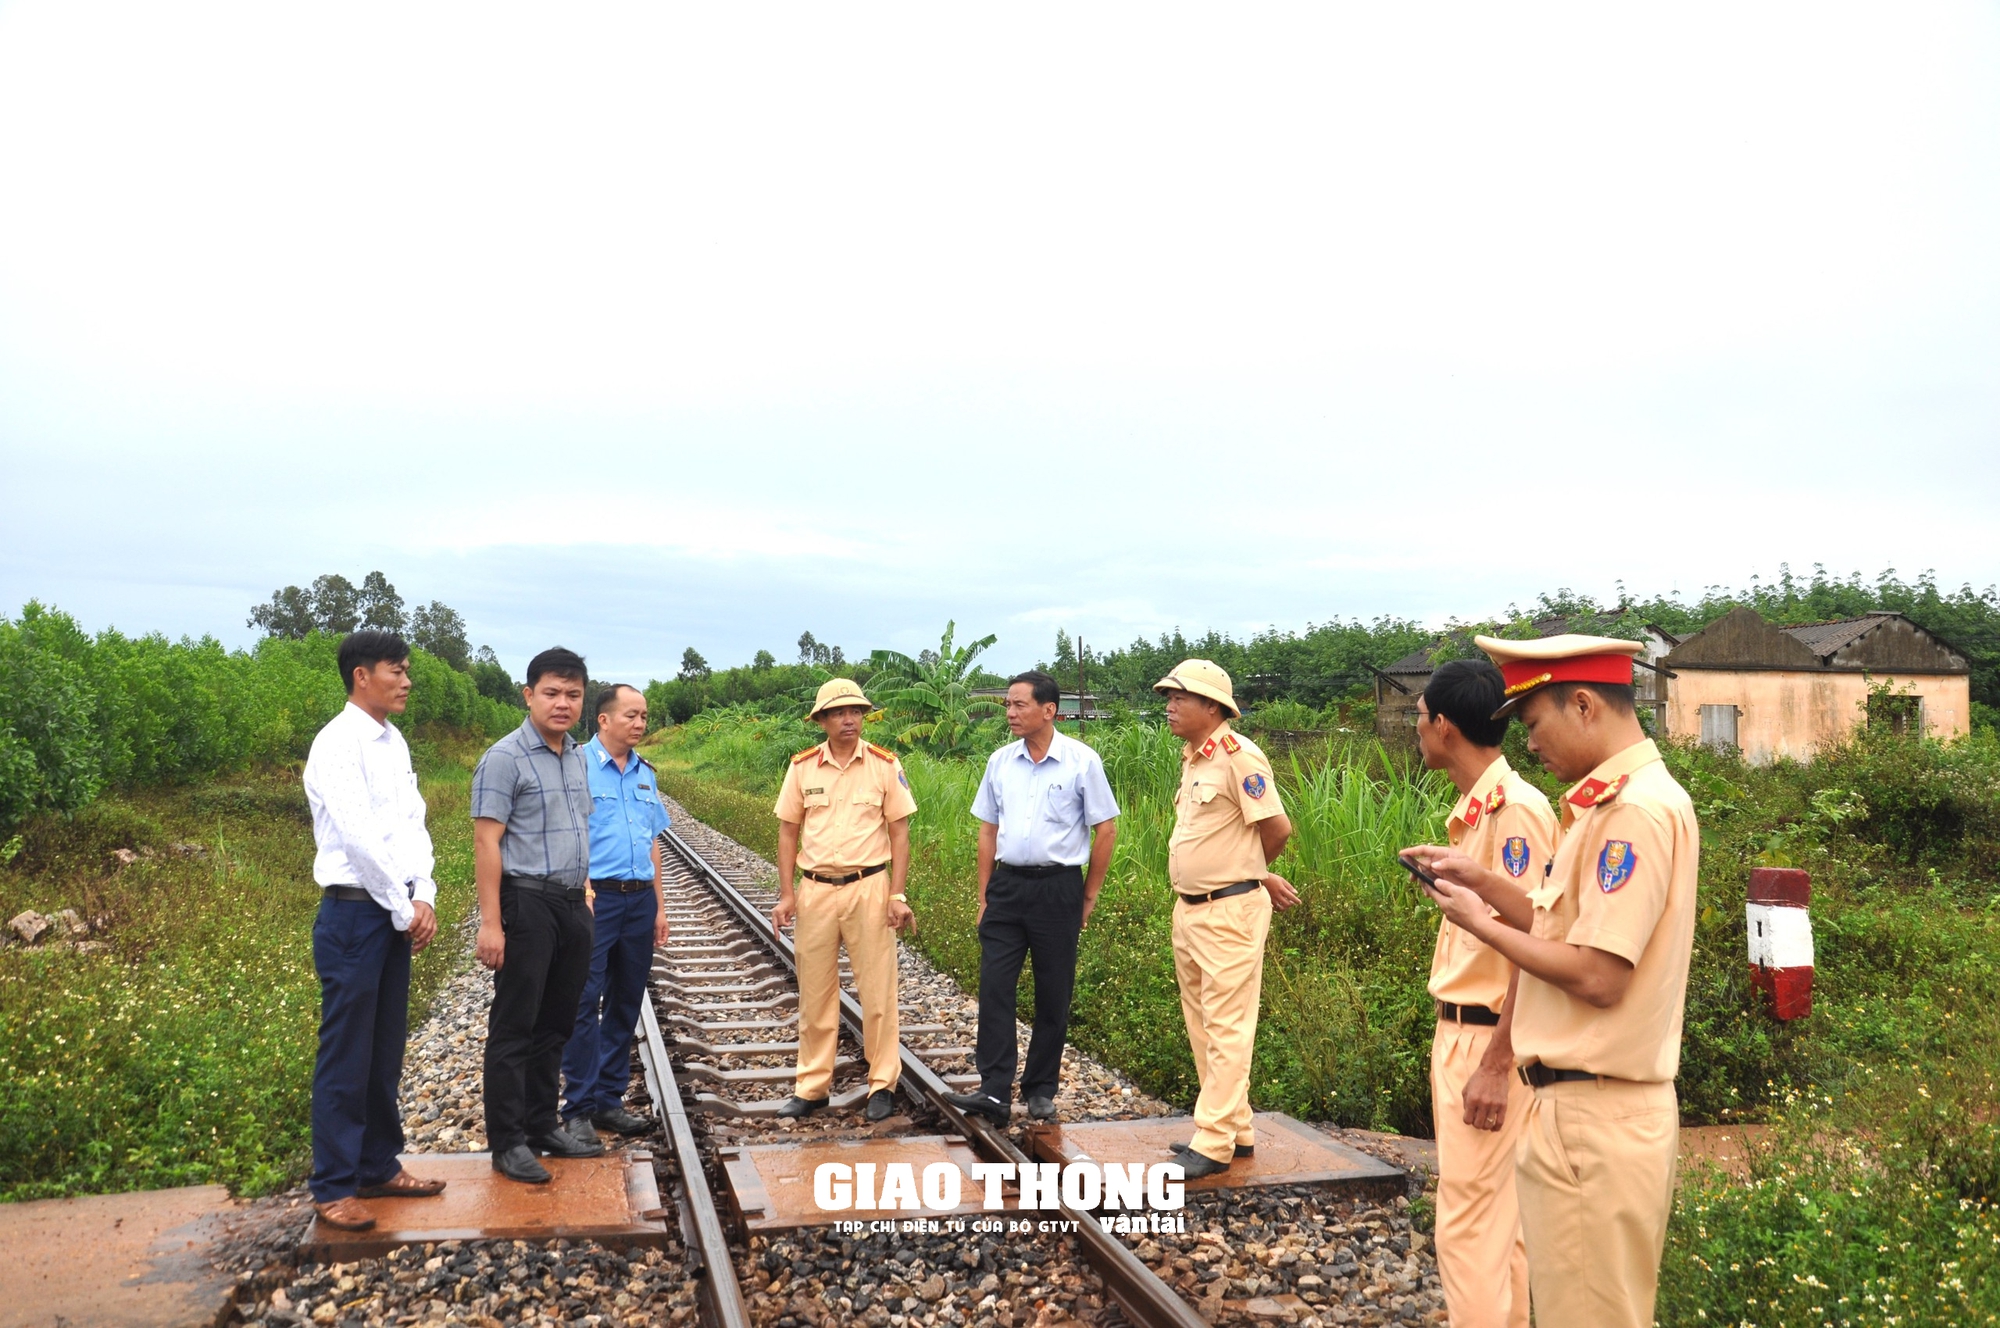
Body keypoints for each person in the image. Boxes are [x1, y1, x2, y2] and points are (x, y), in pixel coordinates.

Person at [1404, 634, 1698, 1328]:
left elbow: (1598, 975)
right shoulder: (1607, 806)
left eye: (1535, 724)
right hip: (1574, 1109)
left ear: (1586, 705)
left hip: (1596, 1112)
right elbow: (1558, 924)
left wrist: (1481, 923)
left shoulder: (1632, 813)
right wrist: (1482, 883)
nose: (1528, 744)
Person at [1408, 659, 1558, 1328]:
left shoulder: (1515, 810)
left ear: (1444, 726)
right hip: (1474, 1032)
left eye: (1419, 715)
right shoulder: (1477, 813)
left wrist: (1496, 1062)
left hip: (1488, 1037)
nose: (1416, 727)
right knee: (1505, 1230)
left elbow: (1539, 938)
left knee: (1468, 1228)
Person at [301, 630, 447, 1232]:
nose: (407, 680)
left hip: (391, 910)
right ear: (363, 675)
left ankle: (378, 1166)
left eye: (407, 670)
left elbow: (412, 823)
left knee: (384, 1049)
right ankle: (333, 1185)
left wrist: (426, 892)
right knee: (346, 1053)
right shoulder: (337, 743)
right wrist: (400, 904)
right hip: (354, 915)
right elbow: (358, 836)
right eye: (398, 670)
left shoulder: (394, 741)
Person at [944, 671, 1120, 1126]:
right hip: (1006, 888)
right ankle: (994, 1089)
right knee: (995, 987)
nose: (1010, 713)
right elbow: (987, 828)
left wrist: (1088, 895)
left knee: (1053, 993)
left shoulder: (1082, 761)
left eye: (1019, 705)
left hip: (1058, 888)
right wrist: (985, 893)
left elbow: (1106, 829)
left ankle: (1040, 1089)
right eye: (1008, 705)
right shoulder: (1000, 762)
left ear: (1049, 710)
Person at [1153, 659, 1299, 1180]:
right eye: (1168, 697)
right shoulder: (1194, 758)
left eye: (1180, 698)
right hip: (1190, 909)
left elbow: (1277, 828)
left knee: (1228, 1025)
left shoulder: (1240, 757)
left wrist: (1250, 872)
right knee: (1203, 1023)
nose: (1169, 706)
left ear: (1212, 707)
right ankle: (1234, 1127)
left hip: (1229, 910)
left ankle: (1211, 1140)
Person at [471, 646, 602, 1184]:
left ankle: (543, 1123)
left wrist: (587, 890)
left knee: (557, 1022)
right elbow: (486, 841)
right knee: (516, 1024)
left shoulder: (576, 755)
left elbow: (580, 828)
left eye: (573, 694)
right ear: (528, 695)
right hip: (526, 902)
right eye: (551, 692)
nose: (562, 703)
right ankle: (507, 1141)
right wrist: (491, 922)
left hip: (572, 904)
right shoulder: (504, 758)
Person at [769, 678, 917, 1124]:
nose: (848, 719)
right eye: (838, 712)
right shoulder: (802, 768)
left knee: (877, 994)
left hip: (869, 888)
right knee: (815, 994)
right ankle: (812, 1087)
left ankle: (882, 1084)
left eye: (855, 711)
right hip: (815, 890)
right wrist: (787, 893)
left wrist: (897, 893)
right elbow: (787, 831)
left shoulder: (884, 765)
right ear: (822, 720)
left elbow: (900, 831)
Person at [561, 683, 672, 1146]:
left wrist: (660, 907)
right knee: (584, 1002)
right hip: (595, 899)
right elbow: (566, 831)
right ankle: (579, 1108)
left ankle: (609, 1100)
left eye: (644, 716)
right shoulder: (576, 767)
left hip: (638, 900)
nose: (640, 723)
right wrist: (580, 888)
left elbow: (653, 842)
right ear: (603, 719)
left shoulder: (645, 773)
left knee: (627, 999)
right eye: (631, 715)